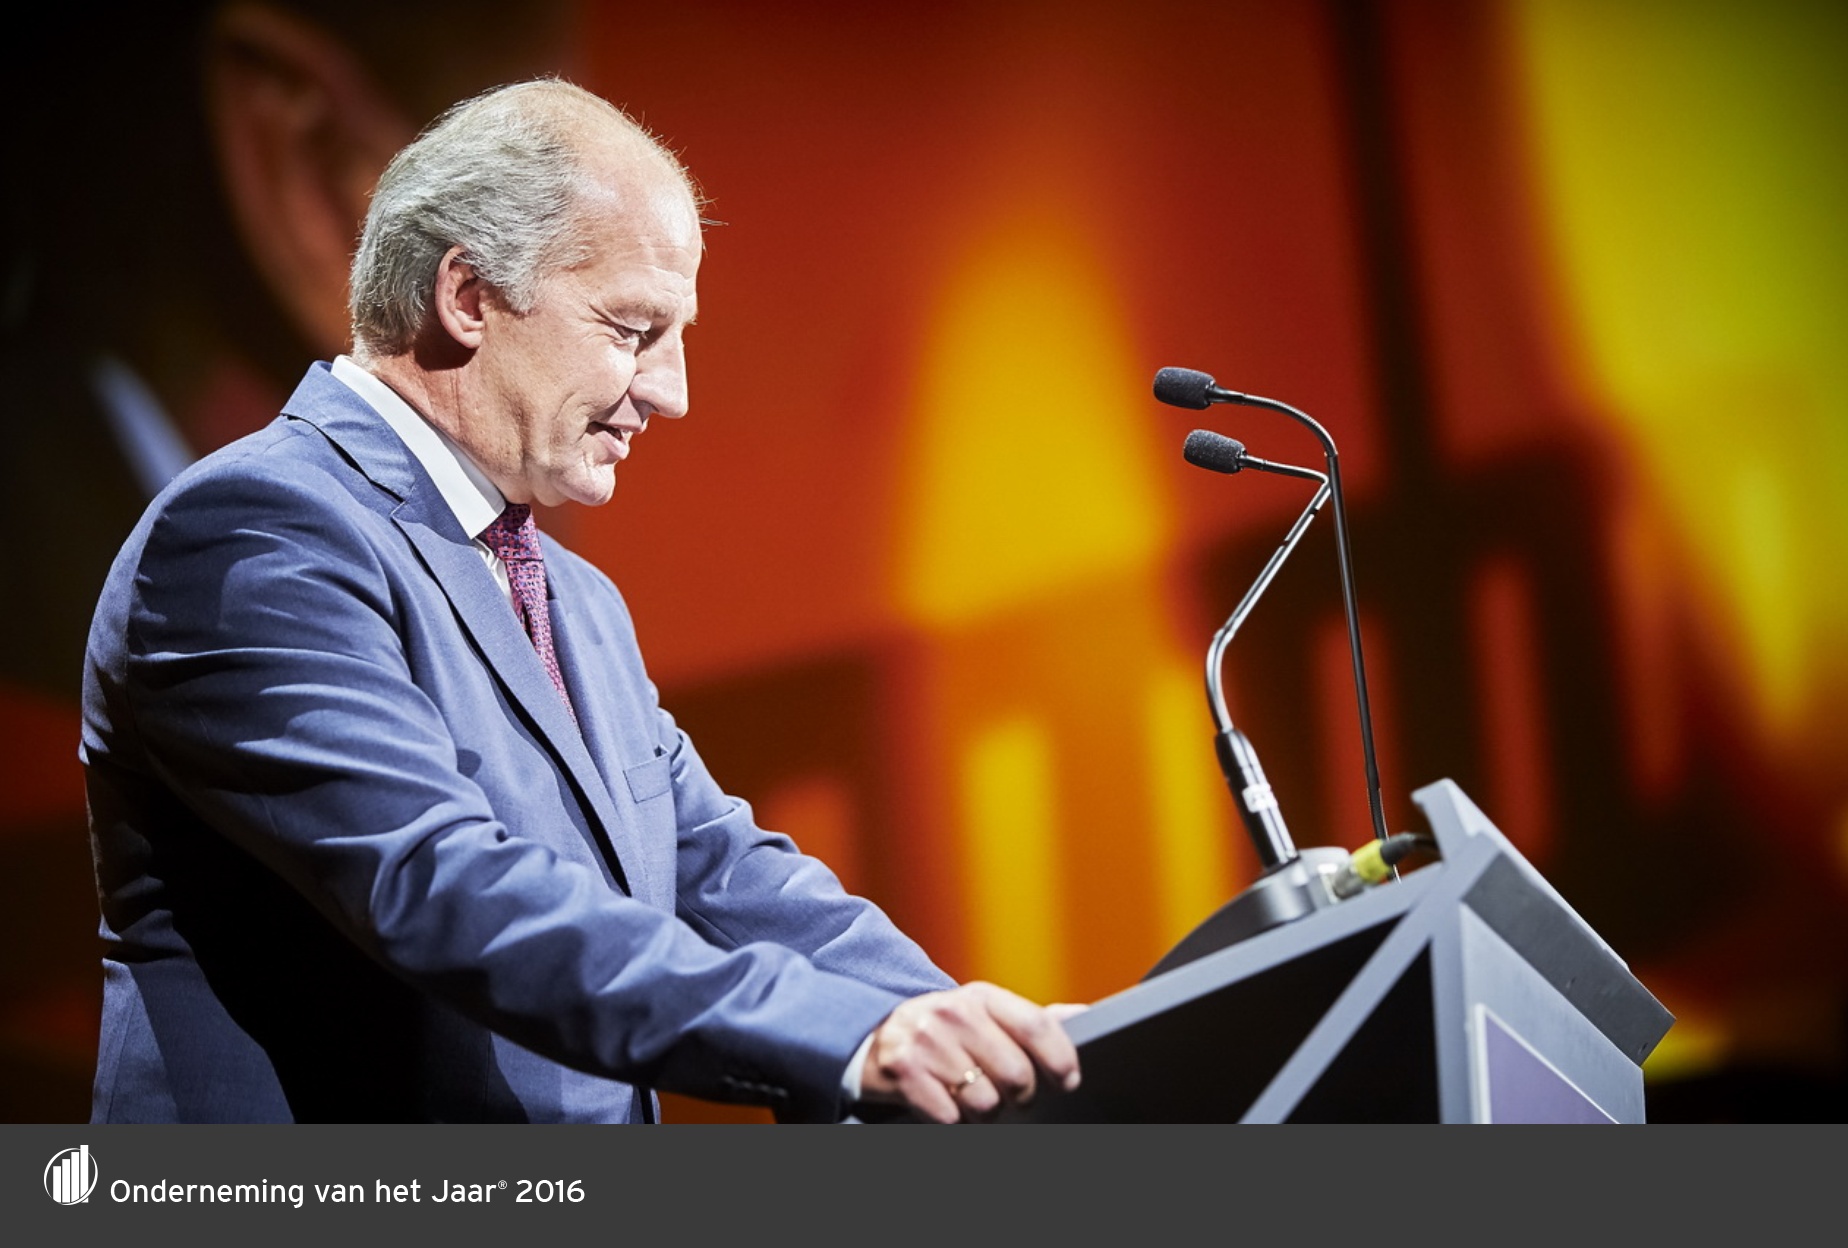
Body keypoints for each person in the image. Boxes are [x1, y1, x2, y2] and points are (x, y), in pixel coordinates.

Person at [81, 77, 1080, 1124]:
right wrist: (845, 1040)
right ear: (468, 297)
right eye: (633, 329)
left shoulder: (577, 598)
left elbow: (718, 868)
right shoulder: (255, 533)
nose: (671, 392)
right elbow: (439, 884)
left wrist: (967, 1030)